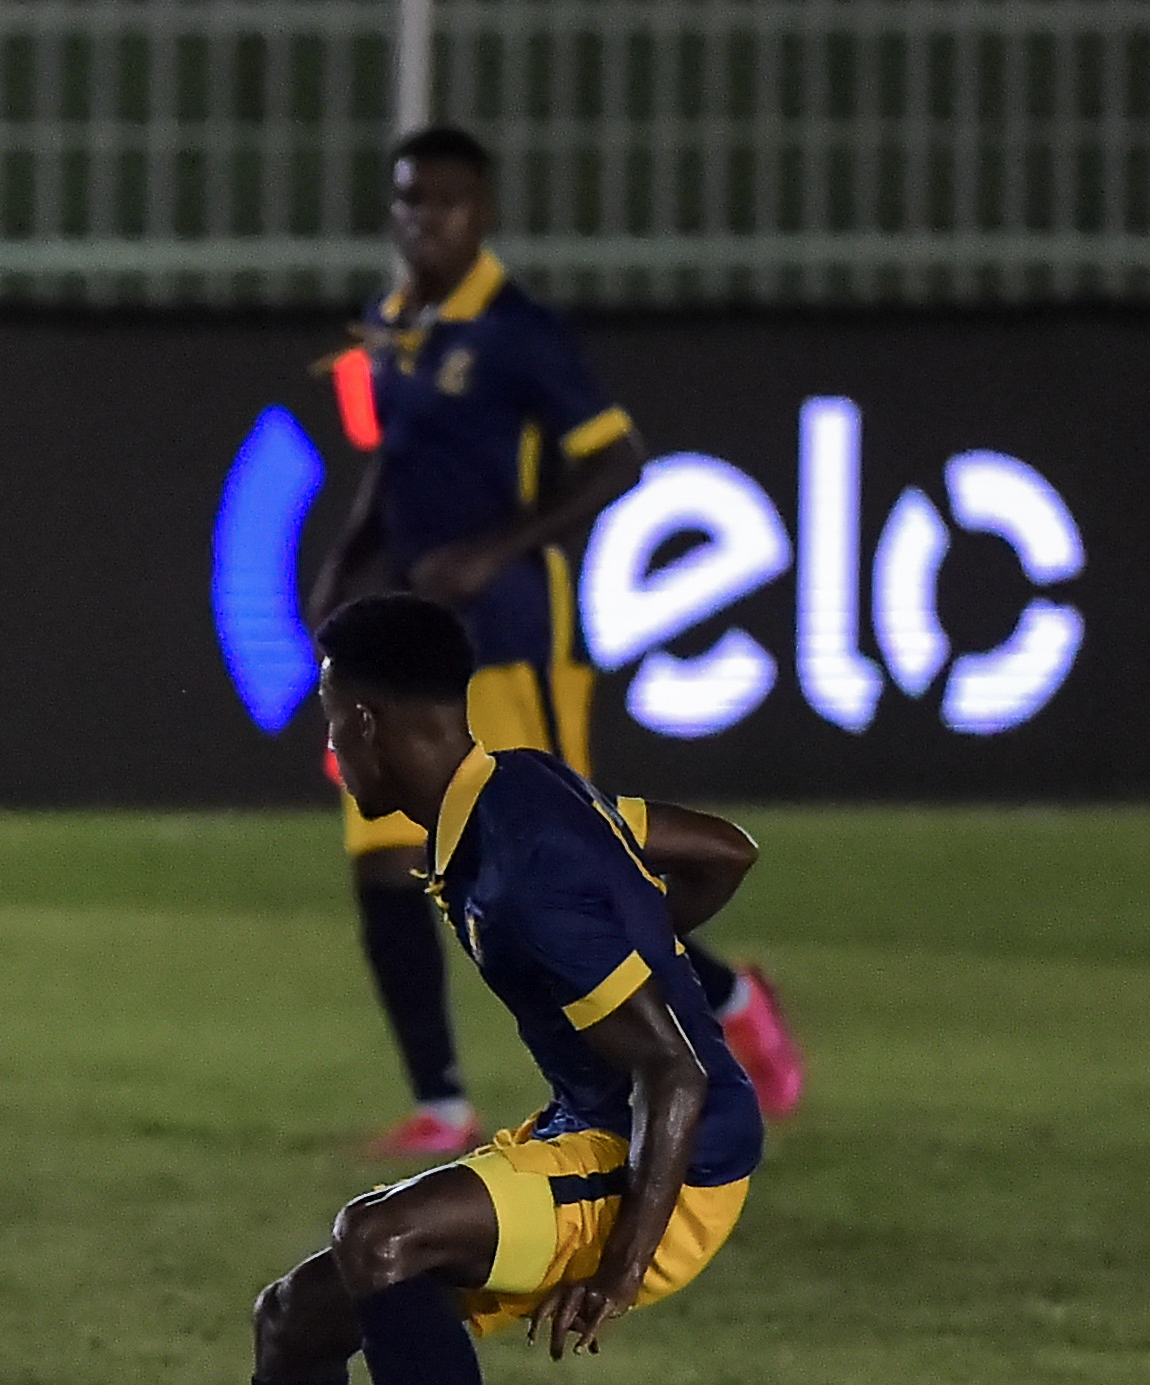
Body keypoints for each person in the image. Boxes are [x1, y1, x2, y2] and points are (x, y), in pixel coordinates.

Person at [166, 595, 764, 1385]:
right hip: (592, 1125)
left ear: (370, 721)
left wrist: (623, 1268)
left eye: (334, 721)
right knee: (293, 1319)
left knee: (379, 1236)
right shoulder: (521, 788)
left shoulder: (524, 874)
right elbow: (726, 849)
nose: (330, 748)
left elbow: (675, 1077)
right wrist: (649, 937)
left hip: (674, 1163)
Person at [306, 125, 802, 1155]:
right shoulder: (394, 323)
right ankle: (442, 1104)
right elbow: (396, 460)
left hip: (512, 637)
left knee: (556, 870)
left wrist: (493, 553)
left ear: (482, 213)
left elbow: (619, 459)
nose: (421, 220)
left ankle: (731, 999)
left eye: (442, 202)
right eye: (406, 200)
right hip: (410, 643)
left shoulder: (519, 332)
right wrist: (346, 562)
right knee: (385, 860)